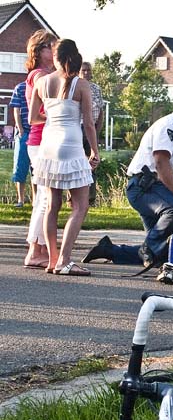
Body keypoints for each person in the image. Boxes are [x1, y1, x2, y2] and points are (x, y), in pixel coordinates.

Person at [82, 92, 173, 266]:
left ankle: (109, 250)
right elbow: (161, 162)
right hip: (144, 188)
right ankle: (147, 248)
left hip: (157, 191)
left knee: (161, 254)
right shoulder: (169, 126)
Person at [28, 39, 100, 275]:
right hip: (70, 145)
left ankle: (52, 259)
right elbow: (89, 123)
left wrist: (51, 118)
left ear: (56, 58)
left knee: (52, 205)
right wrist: (94, 151)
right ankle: (65, 261)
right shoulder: (81, 84)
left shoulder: (42, 82)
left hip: (48, 146)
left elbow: (32, 119)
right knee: (80, 205)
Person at [22, 29, 58, 269]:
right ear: (39, 51)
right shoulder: (40, 76)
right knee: (46, 196)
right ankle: (35, 250)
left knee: (43, 197)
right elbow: (47, 108)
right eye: (50, 47)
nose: (54, 51)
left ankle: (40, 247)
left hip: (42, 140)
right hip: (40, 140)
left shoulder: (44, 74)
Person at [78, 62, 104, 206]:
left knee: (92, 162)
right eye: (84, 70)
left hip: (91, 127)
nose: (87, 73)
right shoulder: (75, 86)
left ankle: (91, 199)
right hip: (77, 127)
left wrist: (97, 131)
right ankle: (73, 199)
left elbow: (100, 111)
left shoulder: (96, 89)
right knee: (76, 163)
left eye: (88, 70)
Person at [9, 81, 31, 208]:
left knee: (36, 170)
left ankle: (35, 201)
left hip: (37, 132)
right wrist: (21, 130)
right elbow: (16, 110)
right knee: (20, 166)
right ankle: (20, 200)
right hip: (24, 132)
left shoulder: (42, 85)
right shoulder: (20, 87)